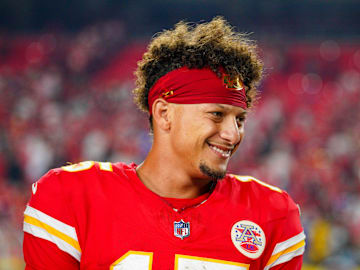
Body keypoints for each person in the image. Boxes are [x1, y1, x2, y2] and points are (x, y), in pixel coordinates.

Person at [23, 17, 305, 269]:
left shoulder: (272, 214)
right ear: (163, 113)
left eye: (239, 120)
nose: (233, 135)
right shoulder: (71, 197)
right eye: (217, 115)